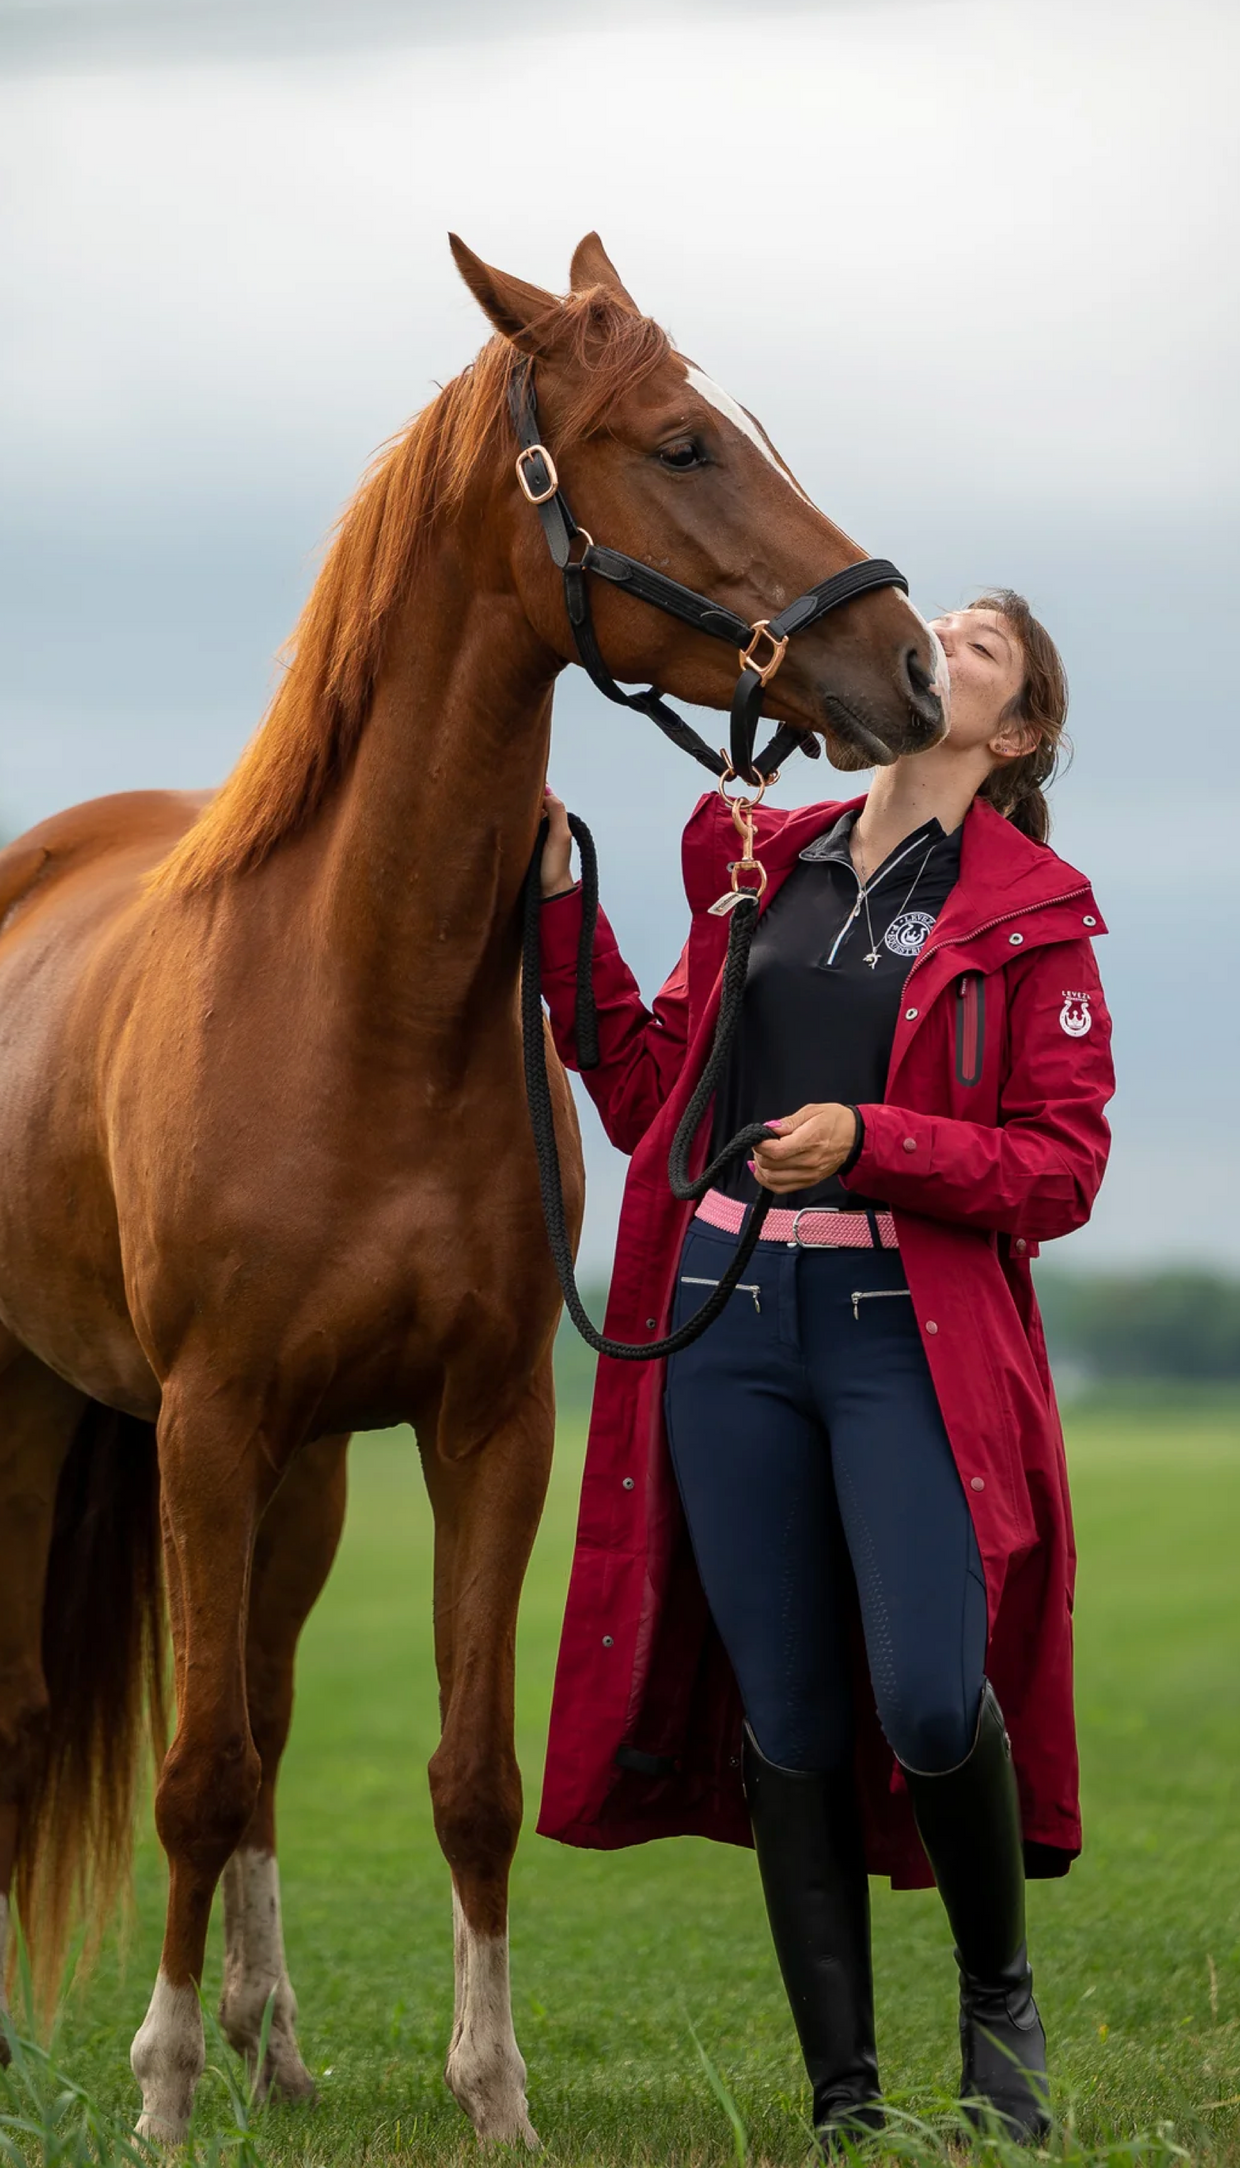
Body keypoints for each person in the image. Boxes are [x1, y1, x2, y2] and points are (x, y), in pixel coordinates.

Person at [535, 591, 1113, 2146]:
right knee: (786, 1713)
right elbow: (657, 1087)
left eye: (982, 643)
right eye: (938, 621)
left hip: (898, 1341)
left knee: (931, 1699)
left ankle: (999, 1996)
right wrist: (559, 912)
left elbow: (1061, 1170)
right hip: (727, 1330)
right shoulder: (756, 865)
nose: (943, 638)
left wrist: (875, 1143)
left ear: (1016, 731)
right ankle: (844, 2098)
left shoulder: (1036, 910)